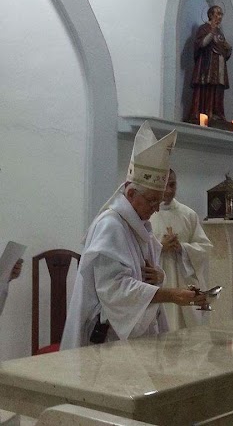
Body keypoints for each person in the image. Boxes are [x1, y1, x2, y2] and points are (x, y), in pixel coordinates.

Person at [61, 121, 207, 350]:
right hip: (107, 339)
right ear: (130, 193)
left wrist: (158, 276)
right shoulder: (110, 226)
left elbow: (141, 273)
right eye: (151, 201)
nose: (156, 209)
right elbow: (114, 289)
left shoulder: (139, 225)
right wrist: (170, 295)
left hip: (133, 335)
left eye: (158, 202)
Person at [150, 169, 212, 330]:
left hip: (183, 283)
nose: (169, 190)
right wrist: (160, 247)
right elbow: (136, 250)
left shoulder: (188, 214)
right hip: (158, 285)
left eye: (172, 184)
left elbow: (205, 248)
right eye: (164, 185)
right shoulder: (146, 214)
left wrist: (182, 249)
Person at [187, 5, 232, 124]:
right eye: (217, 14)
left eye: (221, 14)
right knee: (207, 86)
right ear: (211, 15)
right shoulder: (204, 28)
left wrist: (228, 49)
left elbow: (223, 49)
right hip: (208, 64)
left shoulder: (220, 32)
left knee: (217, 88)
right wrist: (211, 33)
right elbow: (201, 44)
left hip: (219, 65)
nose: (220, 17)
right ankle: (205, 112)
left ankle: (216, 113)